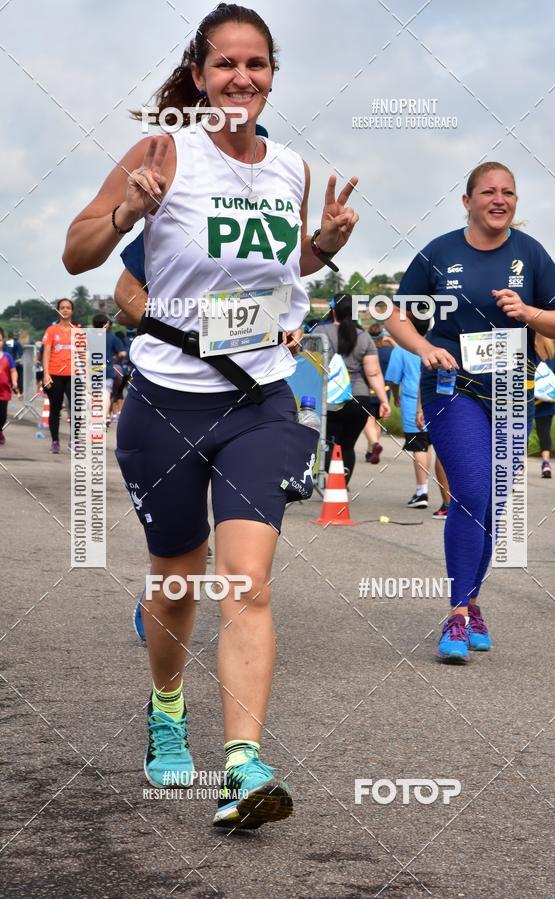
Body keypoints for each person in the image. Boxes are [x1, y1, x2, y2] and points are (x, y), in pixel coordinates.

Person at [63, 3, 358, 829]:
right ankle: (165, 706)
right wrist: (129, 209)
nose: (241, 78)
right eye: (225, 64)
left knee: (248, 582)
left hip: (260, 396)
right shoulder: (163, 152)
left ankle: (243, 766)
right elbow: (78, 250)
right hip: (166, 401)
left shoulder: (290, 168)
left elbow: (278, 272)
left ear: (273, 76)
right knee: (178, 581)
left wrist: (322, 248)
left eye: (256, 64)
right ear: (199, 76)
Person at [386, 161, 555, 663]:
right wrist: (423, 348)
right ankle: (455, 614)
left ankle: (471, 602)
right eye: (488, 192)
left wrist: (529, 312)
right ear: (467, 200)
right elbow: (397, 316)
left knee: (492, 502)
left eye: (509, 193)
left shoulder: (530, 254)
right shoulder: (439, 253)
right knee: (470, 491)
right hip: (454, 386)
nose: (499, 200)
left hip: (513, 391)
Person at [316, 294, 390, 482]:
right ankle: (341, 486)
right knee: (347, 446)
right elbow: (373, 374)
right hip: (359, 398)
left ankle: (333, 482)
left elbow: (310, 365)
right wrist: (383, 400)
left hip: (329, 398)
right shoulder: (364, 337)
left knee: (327, 443)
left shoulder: (320, 332)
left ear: (333, 311)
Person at [385, 315, 450, 516]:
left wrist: (394, 396)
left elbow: (394, 378)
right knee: (434, 445)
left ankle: (422, 492)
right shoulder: (436, 345)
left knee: (419, 446)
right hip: (438, 400)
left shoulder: (401, 349)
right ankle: (447, 498)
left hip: (413, 401)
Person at [41, 298, 79, 454]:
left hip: (73, 375)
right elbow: (46, 353)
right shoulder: (51, 330)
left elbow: (84, 354)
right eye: (62, 307)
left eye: (68, 307)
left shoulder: (78, 330)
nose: (65, 310)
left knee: (76, 410)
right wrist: (46, 374)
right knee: (55, 409)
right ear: (58, 310)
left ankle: (75, 441)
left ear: (72, 311)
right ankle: (55, 441)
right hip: (55, 374)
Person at [533, 334, 555, 479]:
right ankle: (546, 463)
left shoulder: (527, 351)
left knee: (520, 432)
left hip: (526, 399)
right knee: (544, 432)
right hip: (547, 400)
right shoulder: (552, 354)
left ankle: (518, 466)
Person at [364, 323, 394, 463]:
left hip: (368, 390)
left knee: (368, 419)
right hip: (385, 390)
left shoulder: (368, 351)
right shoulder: (389, 351)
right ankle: (372, 449)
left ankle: (372, 446)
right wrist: (391, 341)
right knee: (378, 422)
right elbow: (401, 352)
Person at [91, 314, 127, 425]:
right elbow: (122, 353)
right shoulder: (112, 337)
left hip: (93, 369)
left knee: (94, 394)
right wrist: (115, 357)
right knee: (106, 394)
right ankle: (105, 416)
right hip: (107, 368)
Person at [0, 329, 19, 445]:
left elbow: (13, 371)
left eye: (0, 340)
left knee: (2, 416)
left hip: (4, 392)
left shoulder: (7, 356)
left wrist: (15, 381)